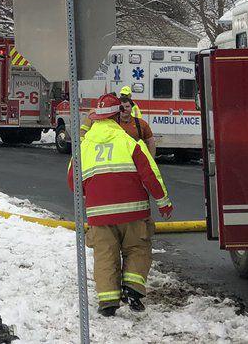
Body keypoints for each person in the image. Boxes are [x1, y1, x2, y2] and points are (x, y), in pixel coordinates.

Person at [67, 92, 171, 317]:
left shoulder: (82, 149)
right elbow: (151, 175)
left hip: (99, 216)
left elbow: (72, 182)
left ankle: (108, 301)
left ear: (96, 119)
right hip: (133, 213)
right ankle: (133, 288)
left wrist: (91, 194)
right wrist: (164, 204)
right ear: (116, 118)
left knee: (105, 256)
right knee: (137, 248)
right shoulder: (130, 142)